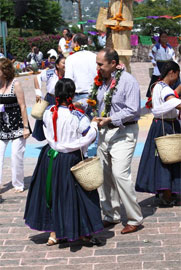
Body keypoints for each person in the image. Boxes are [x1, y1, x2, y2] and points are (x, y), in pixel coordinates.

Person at [24, 78, 103, 245]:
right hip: (70, 159)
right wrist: (94, 125)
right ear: (72, 95)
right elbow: (89, 136)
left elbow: (45, 130)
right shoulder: (78, 117)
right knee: (75, 195)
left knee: (52, 193)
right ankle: (79, 230)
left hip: (50, 157)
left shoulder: (48, 112)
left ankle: (54, 232)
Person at [84, 48, 143, 234]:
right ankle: (111, 214)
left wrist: (110, 119)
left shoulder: (128, 81)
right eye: (97, 64)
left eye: (101, 64)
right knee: (105, 176)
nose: (98, 67)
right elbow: (98, 102)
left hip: (124, 132)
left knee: (120, 174)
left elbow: (133, 110)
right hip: (104, 132)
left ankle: (134, 218)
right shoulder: (101, 81)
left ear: (114, 64)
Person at [136, 61, 181, 206]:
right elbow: (173, 101)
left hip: (157, 125)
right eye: (177, 74)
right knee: (169, 159)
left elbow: (171, 96)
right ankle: (167, 195)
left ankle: (164, 192)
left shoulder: (157, 86)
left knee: (160, 158)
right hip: (167, 126)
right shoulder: (166, 89)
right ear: (172, 73)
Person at [0, 58, 31, 193]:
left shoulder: (16, 84)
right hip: (2, 125)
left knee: (16, 155)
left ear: (5, 71)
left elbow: (23, 106)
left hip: (17, 124)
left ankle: (18, 183)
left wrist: (26, 127)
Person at [32, 54, 65, 141]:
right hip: (51, 99)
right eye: (64, 63)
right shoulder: (50, 73)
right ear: (57, 65)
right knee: (47, 121)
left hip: (64, 101)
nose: (66, 65)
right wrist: (38, 93)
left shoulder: (70, 74)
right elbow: (37, 78)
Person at [65, 33, 97, 103]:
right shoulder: (95, 56)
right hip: (94, 94)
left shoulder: (70, 58)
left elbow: (68, 80)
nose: (71, 43)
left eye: (72, 42)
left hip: (78, 96)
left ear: (76, 43)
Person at [146, 31, 176, 98]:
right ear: (160, 38)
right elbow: (151, 54)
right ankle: (150, 95)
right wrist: (153, 61)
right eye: (162, 37)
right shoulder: (157, 46)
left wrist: (174, 61)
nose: (164, 39)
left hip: (168, 64)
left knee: (169, 79)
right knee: (156, 79)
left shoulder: (169, 46)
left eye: (165, 37)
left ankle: (170, 94)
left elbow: (173, 55)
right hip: (159, 64)